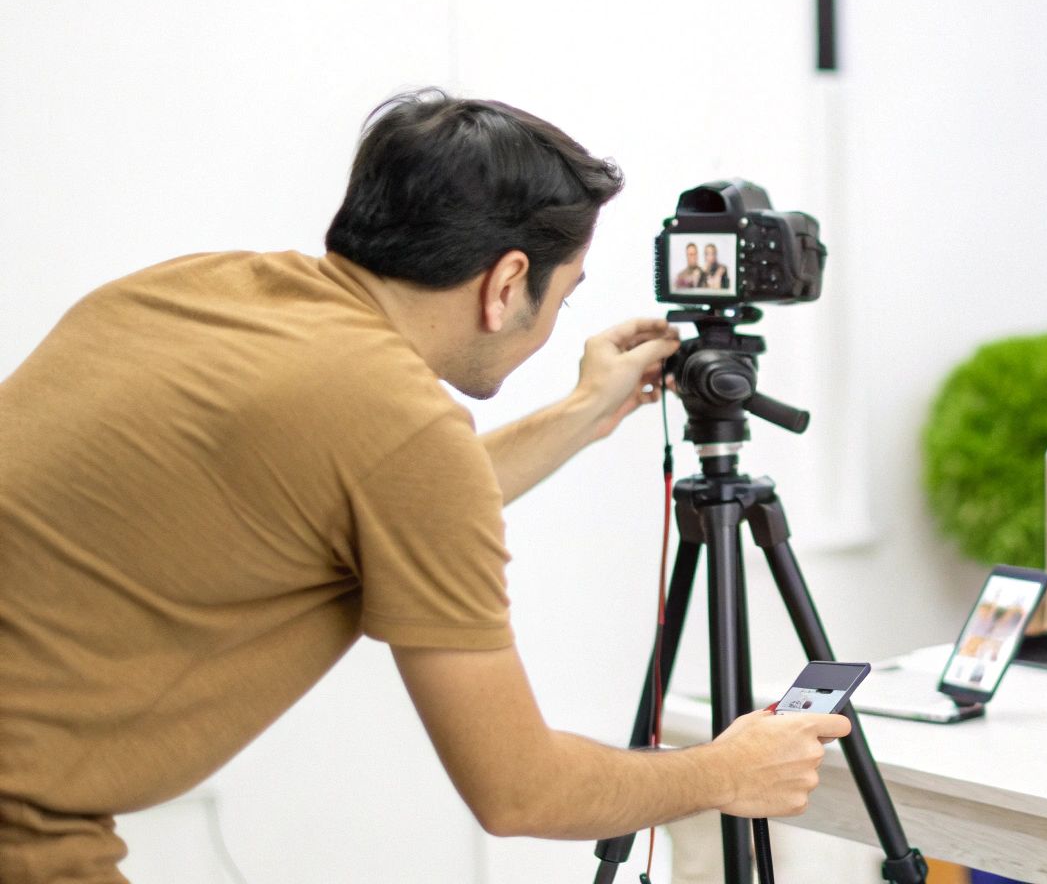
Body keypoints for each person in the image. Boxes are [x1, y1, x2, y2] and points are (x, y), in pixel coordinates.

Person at [0, 90, 849, 884]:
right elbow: (519, 791)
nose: (551, 325)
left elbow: (382, 496)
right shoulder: (400, 427)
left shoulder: (189, 288)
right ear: (507, 284)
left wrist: (580, 412)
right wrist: (723, 772)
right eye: (561, 298)